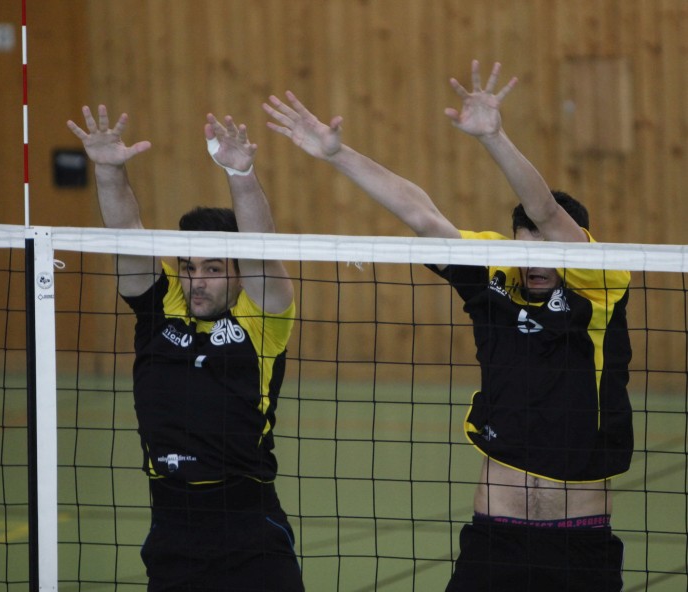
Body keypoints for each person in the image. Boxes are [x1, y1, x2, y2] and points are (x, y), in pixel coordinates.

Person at [263, 60, 632, 591]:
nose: (534, 263)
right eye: (524, 251)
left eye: (547, 251)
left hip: (581, 544)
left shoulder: (600, 283)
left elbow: (547, 211)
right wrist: (338, 155)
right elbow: (422, 214)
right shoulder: (495, 275)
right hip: (494, 537)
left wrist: (494, 137)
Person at [67, 105, 304, 592]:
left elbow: (261, 250)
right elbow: (126, 233)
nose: (197, 280)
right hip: (172, 526)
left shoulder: (262, 321)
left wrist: (240, 174)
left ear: (237, 273)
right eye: (190, 267)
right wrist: (109, 170)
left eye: (213, 269)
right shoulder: (162, 307)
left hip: (250, 527)